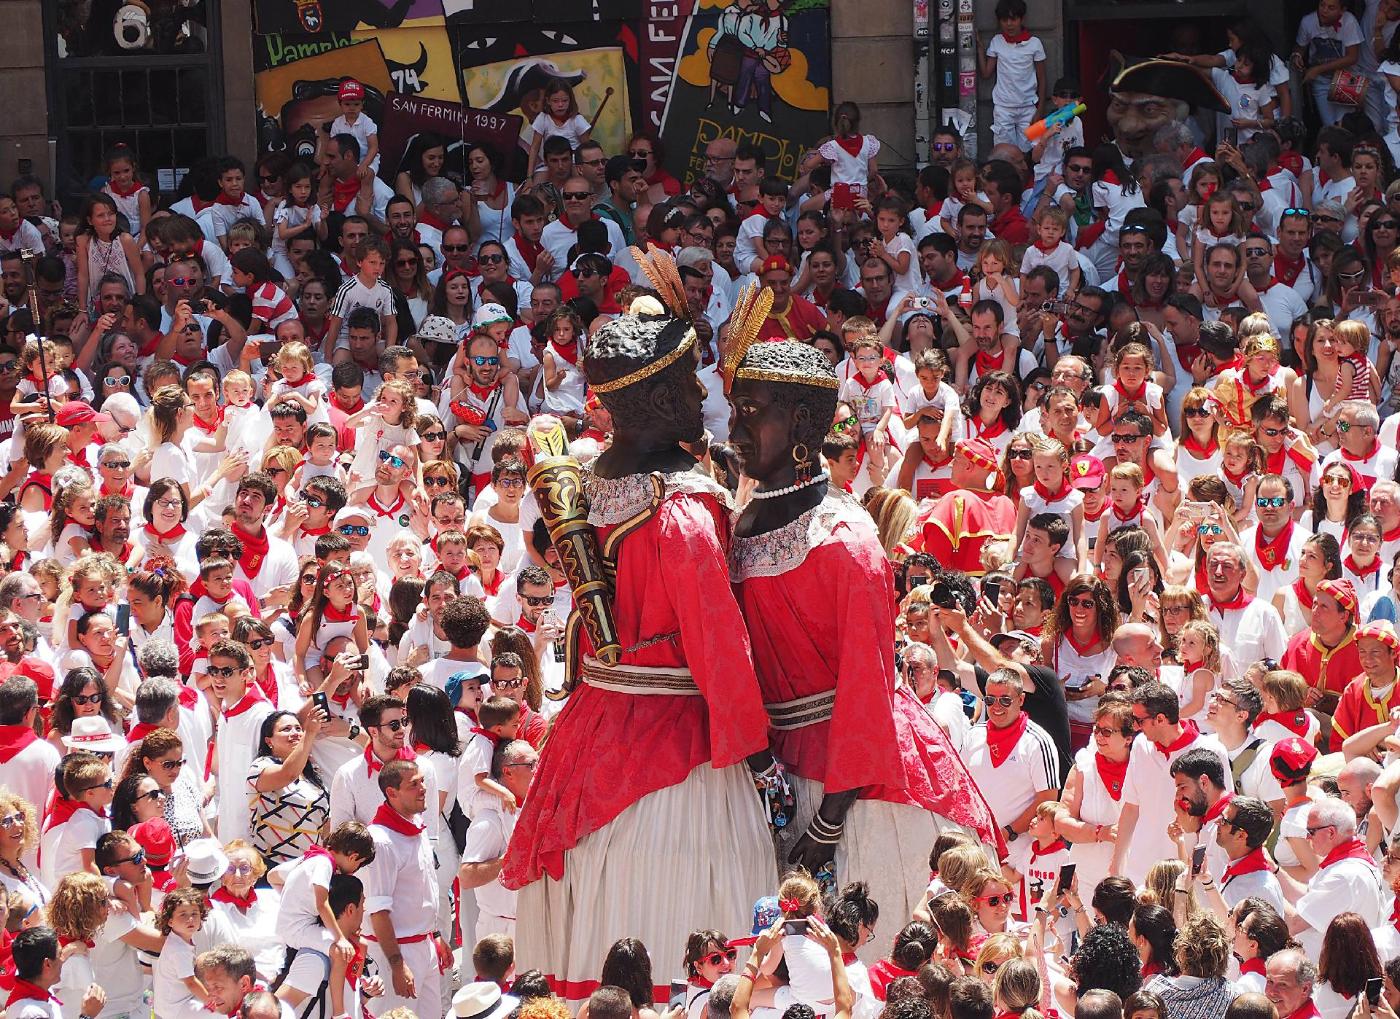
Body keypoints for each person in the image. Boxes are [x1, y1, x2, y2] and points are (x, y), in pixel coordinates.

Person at [501, 276, 777, 1002]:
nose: (701, 392)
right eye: (688, 378)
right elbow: (719, 651)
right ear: (655, 400)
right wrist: (760, 753)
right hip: (675, 743)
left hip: (593, 728)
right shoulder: (684, 509)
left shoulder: (590, 479)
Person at [727, 338, 1000, 949]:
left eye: (751, 411)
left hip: (854, 779)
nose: (735, 429)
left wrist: (826, 824)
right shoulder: (738, 523)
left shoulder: (846, 540)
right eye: (735, 409)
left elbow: (867, 688)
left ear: (800, 423)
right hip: (774, 767)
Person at [459, 738, 538, 945]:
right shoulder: (490, 819)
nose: (538, 770)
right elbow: (466, 877)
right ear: (508, 772)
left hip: (530, 926)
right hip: (501, 933)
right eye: (531, 765)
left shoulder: (531, 810)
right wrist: (510, 859)